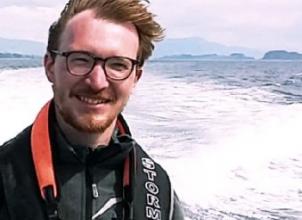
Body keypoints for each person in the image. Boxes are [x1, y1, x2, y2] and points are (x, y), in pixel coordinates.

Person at [0, 0, 185, 219]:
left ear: (135, 77)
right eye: (80, 60)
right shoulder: (4, 180)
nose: (97, 82)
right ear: (50, 67)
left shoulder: (160, 194)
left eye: (118, 64)